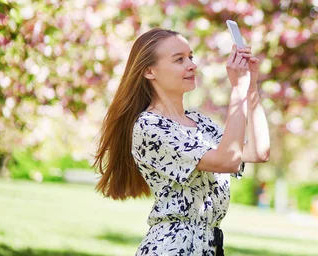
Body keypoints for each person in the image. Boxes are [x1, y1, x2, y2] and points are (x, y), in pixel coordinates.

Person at [93, 28, 270, 255]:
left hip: (208, 246)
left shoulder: (199, 122)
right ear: (149, 71)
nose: (191, 65)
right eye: (179, 60)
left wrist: (251, 88)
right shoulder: (150, 126)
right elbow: (227, 161)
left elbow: (258, 152)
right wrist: (237, 89)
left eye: (191, 57)